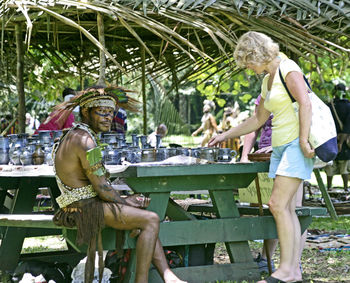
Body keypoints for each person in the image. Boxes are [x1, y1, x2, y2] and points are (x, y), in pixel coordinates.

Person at [209, 31, 314, 283]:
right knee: (285, 207)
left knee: (277, 204)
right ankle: (291, 271)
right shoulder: (267, 81)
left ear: (257, 53)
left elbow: (306, 102)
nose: (248, 67)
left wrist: (302, 140)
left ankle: (287, 270)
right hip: (278, 148)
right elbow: (258, 119)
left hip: (295, 146)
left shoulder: (288, 68)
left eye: (248, 61)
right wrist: (225, 135)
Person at [52, 85, 186, 283]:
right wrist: (126, 203)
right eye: (102, 112)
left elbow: (98, 187)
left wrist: (123, 201)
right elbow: (102, 188)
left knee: (142, 220)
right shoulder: (85, 141)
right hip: (84, 211)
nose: (108, 118)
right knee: (150, 219)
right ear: (86, 112)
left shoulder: (75, 134)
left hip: (80, 206)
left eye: (110, 113)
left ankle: (169, 276)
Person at [241, 94, 307, 275]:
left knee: (295, 209)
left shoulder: (295, 85)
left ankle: (294, 265)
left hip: (292, 153)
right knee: (275, 207)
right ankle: (266, 259)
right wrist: (244, 156)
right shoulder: (266, 91)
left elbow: (306, 119)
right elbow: (255, 124)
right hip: (266, 156)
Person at [325, 83, 350, 191]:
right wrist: (341, 142)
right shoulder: (348, 106)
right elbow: (348, 126)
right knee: (343, 167)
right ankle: (346, 188)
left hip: (331, 140)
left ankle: (329, 188)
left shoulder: (330, 106)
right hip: (344, 141)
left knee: (331, 166)